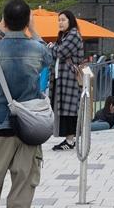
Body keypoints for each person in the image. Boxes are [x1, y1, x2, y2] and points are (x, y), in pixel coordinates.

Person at [0, 0, 48, 208]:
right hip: (29, 126)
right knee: (23, 189)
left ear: (4, 20)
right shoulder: (37, 49)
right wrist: (33, 30)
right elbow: (48, 59)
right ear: (28, 21)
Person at [47, 10, 87, 150]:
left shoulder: (73, 35)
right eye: (59, 20)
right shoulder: (65, 36)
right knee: (63, 108)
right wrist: (53, 47)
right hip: (62, 78)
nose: (60, 22)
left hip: (69, 78)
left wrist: (51, 47)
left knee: (69, 109)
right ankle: (69, 139)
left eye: (63, 20)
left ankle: (70, 140)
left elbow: (60, 52)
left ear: (71, 21)